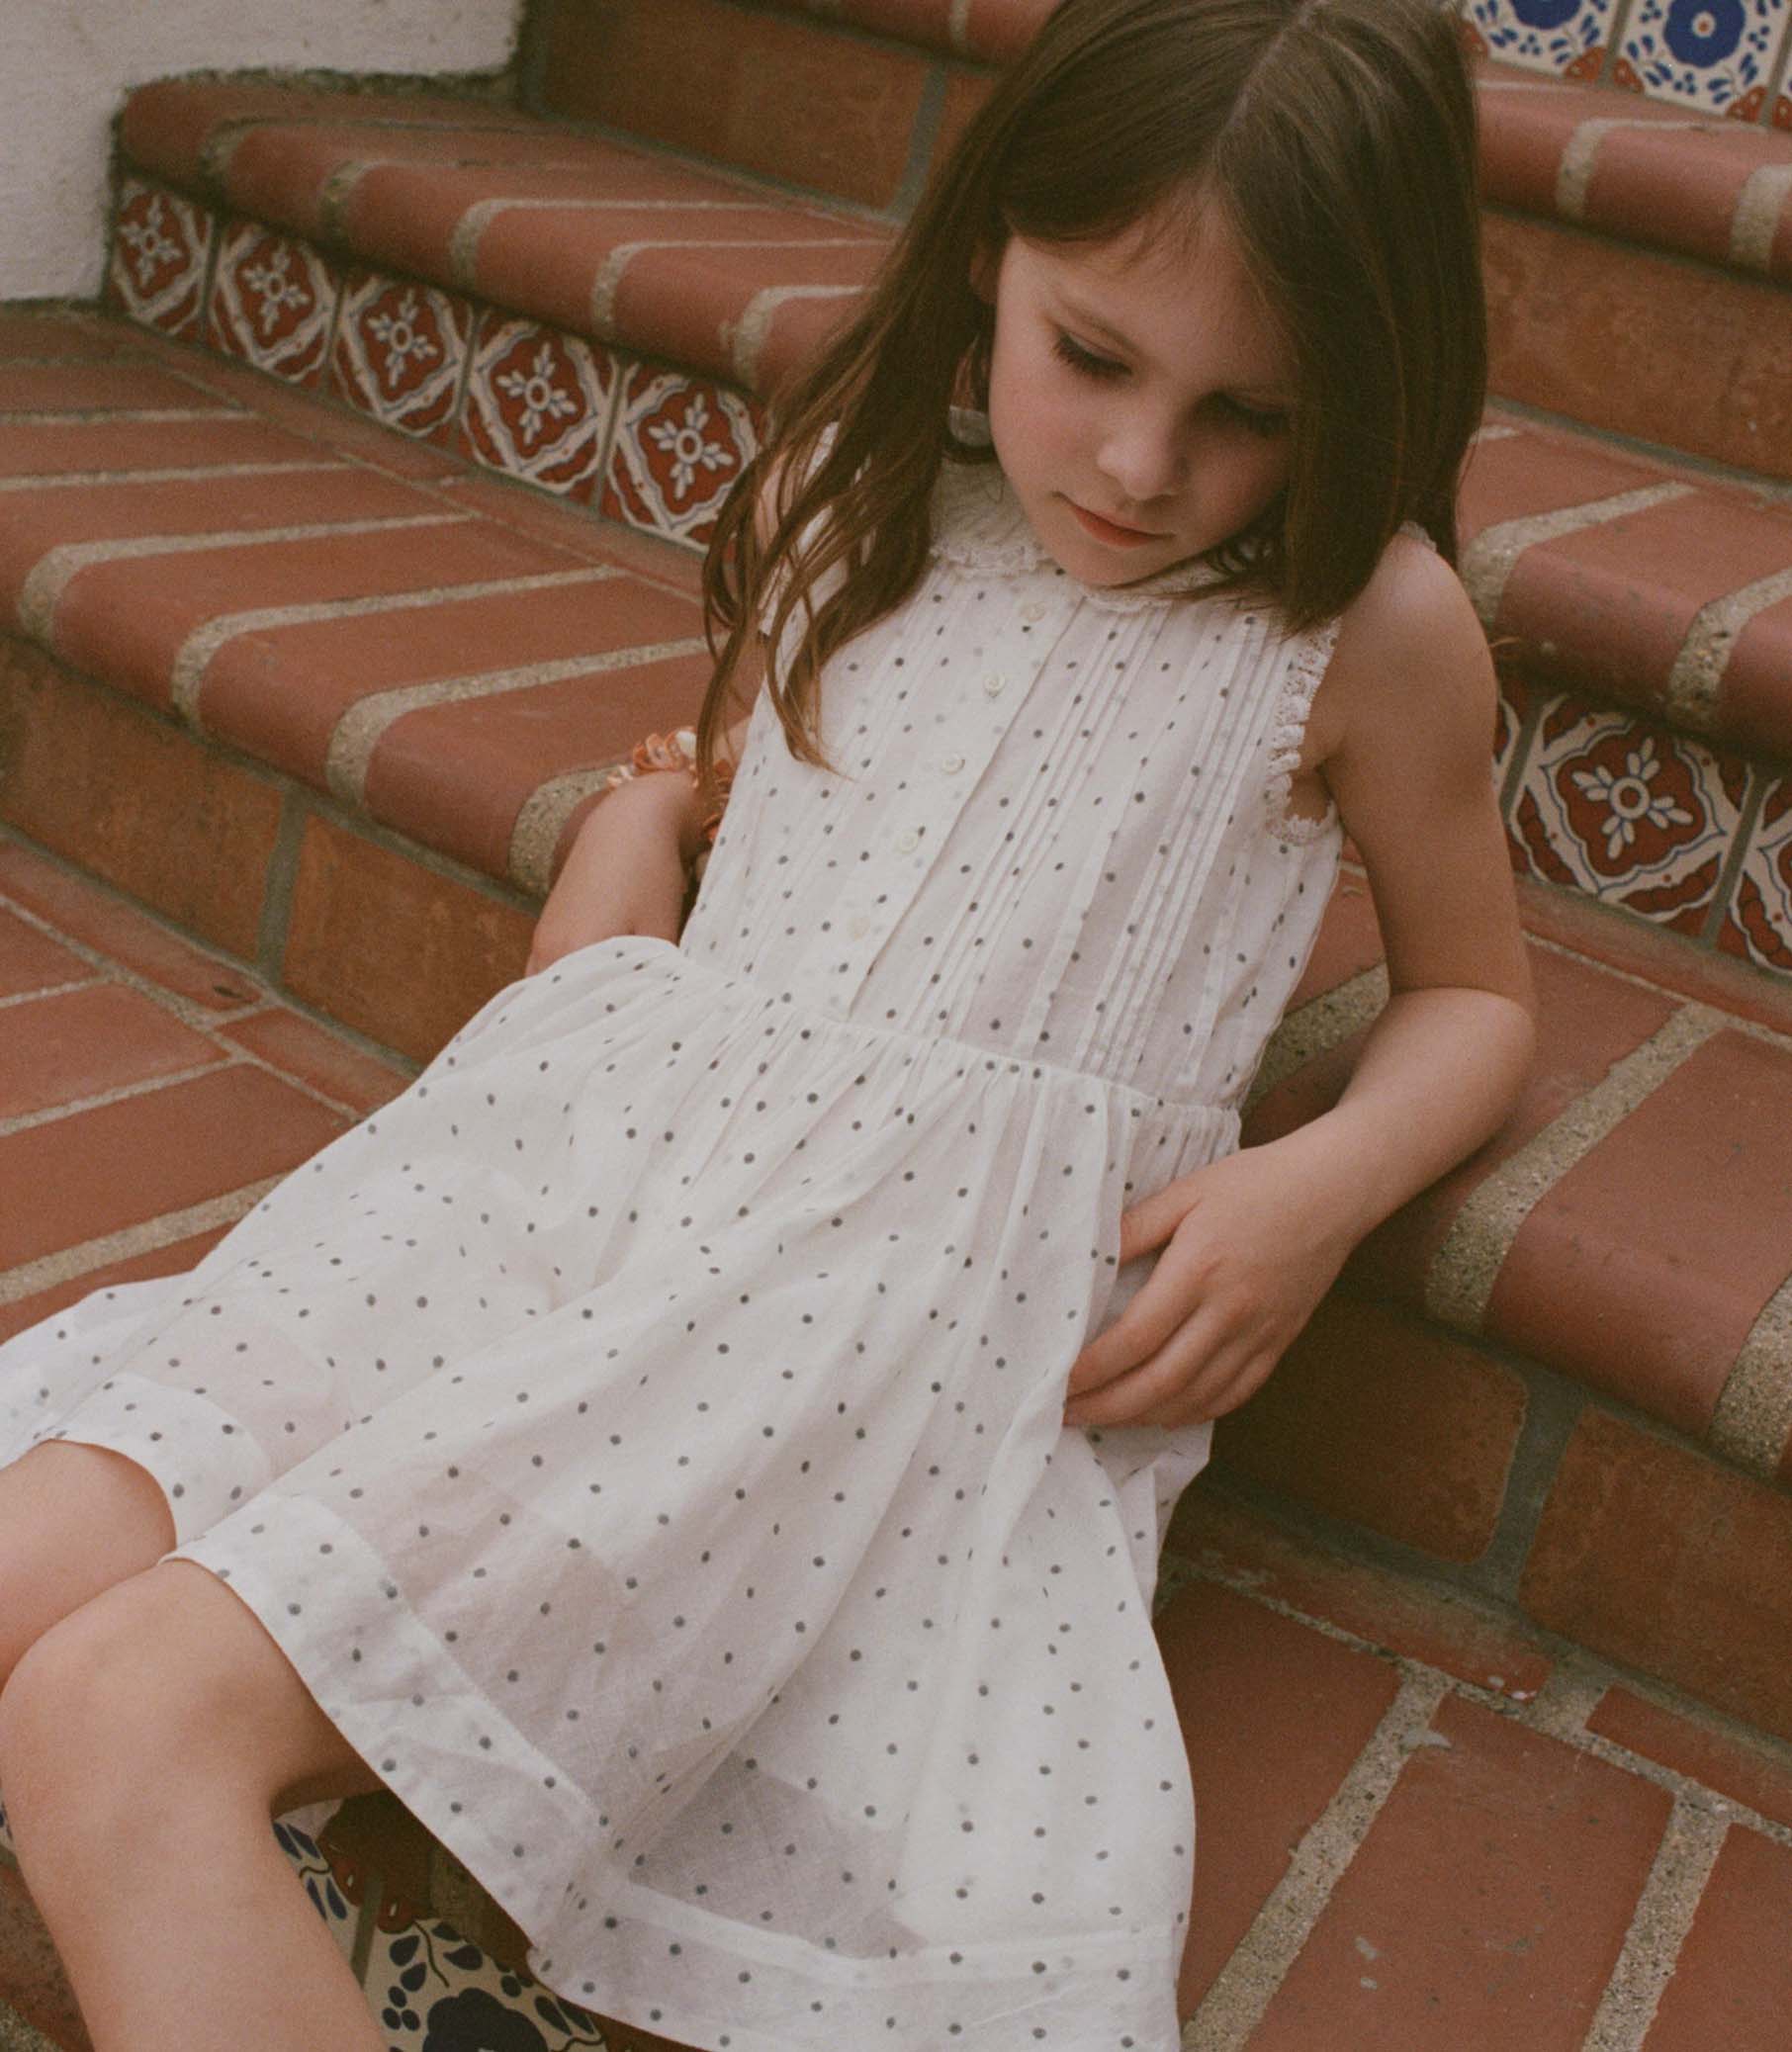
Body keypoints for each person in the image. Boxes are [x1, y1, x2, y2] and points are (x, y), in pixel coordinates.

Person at [0, 0, 1535, 2045]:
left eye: (1254, 410)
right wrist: (639, 825)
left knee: (115, 1726)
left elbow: (1474, 993)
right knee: (30, 1562)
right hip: (554, 1192)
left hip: (842, 1340)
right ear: (994, 245)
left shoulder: (1363, 630)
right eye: (1093, 355)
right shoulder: (860, 482)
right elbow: (634, 997)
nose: (1147, 463)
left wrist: (1317, 1186)